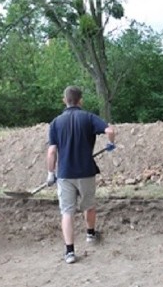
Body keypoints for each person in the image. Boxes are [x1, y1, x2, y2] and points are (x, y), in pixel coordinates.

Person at [46, 86, 116, 264]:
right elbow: (110, 130)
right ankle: (90, 235)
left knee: (67, 212)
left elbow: (52, 151)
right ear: (80, 100)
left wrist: (50, 173)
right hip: (86, 171)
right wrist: (110, 144)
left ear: (65, 100)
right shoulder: (88, 117)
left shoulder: (55, 122)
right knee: (89, 206)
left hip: (64, 174)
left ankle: (69, 252)